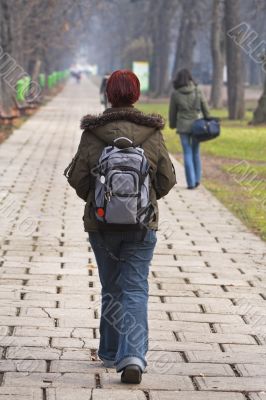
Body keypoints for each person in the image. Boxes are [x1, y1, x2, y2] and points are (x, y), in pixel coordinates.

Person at [66, 70, 176, 384]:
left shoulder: (93, 132)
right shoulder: (151, 132)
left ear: (109, 94)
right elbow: (167, 179)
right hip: (142, 225)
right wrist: (145, 200)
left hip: (101, 226)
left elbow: (77, 178)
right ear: (136, 95)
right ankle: (132, 358)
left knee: (111, 287)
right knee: (136, 288)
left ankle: (111, 351)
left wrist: (99, 201)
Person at [169, 68, 210, 189]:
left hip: (183, 126)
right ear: (190, 78)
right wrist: (208, 119)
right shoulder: (198, 90)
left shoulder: (176, 94)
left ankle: (190, 182)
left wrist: (172, 124)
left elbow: (172, 112)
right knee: (196, 151)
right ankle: (197, 179)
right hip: (197, 125)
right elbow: (205, 107)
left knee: (187, 152)